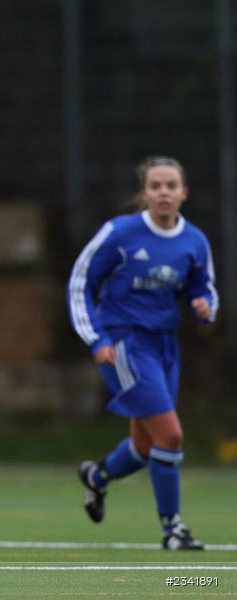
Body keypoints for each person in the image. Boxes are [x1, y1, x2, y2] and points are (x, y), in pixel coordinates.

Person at [68, 156, 218, 550]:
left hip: (164, 346)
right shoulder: (119, 234)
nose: (164, 193)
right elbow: (80, 283)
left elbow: (202, 288)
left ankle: (97, 478)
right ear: (145, 193)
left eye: (171, 186)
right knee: (171, 434)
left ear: (184, 193)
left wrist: (204, 305)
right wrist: (96, 339)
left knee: (146, 445)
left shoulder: (194, 241)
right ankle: (173, 529)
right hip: (123, 345)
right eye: (156, 186)